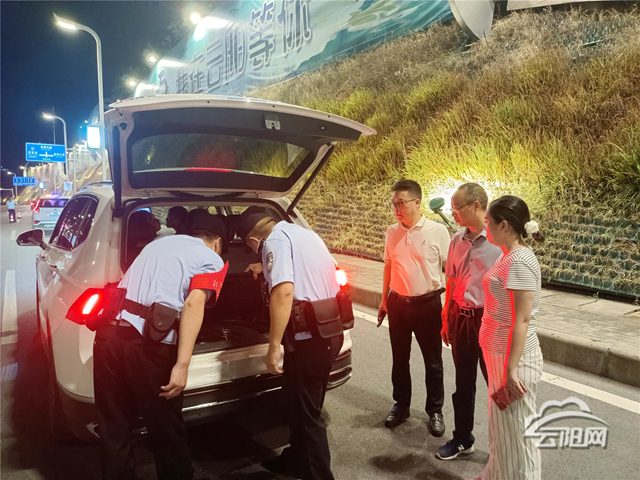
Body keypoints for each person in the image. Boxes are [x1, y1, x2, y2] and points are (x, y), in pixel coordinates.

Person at [94, 211, 227, 480]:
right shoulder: (212, 258)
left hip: (108, 337)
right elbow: (193, 303)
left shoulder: (158, 243)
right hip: (149, 347)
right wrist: (182, 365)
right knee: (165, 428)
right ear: (217, 242)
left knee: (114, 426)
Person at [236, 213, 343, 480]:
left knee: (307, 416)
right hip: (329, 330)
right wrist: (264, 266)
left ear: (254, 240)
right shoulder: (305, 233)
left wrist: (274, 346)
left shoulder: (274, 241)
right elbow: (309, 268)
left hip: (308, 339)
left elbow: (283, 291)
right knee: (299, 407)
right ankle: (295, 461)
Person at [478, 195, 545, 480]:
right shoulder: (508, 256)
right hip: (499, 354)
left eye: (488, 223)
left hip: (513, 359)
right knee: (503, 429)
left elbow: (523, 319)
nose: (486, 228)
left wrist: (511, 368)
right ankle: (495, 475)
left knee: (519, 434)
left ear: (504, 225)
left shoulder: (519, 261)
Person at [378, 179, 450, 436]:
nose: (396, 208)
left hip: (428, 304)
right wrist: (384, 299)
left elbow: (451, 271)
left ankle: (435, 410)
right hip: (398, 303)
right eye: (393, 204)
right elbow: (389, 265)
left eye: (401, 203)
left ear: (417, 202)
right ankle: (402, 405)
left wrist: (449, 306)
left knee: (433, 361)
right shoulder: (392, 231)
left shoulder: (437, 231)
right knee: (400, 359)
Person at [436, 183, 502, 461]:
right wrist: (447, 313)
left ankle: (503, 446)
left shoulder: (499, 241)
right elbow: (452, 277)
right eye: (452, 209)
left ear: (476, 205)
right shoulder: (456, 240)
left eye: (457, 208)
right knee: (463, 384)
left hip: (489, 322)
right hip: (461, 318)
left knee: (497, 386)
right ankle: (463, 439)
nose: (453, 214)